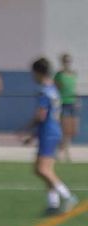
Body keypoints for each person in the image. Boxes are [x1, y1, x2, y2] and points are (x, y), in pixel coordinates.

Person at [29, 57, 76, 215]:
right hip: (53, 130)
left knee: (41, 169)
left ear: (38, 72)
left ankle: (68, 196)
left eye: (33, 73)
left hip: (48, 131)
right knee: (46, 169)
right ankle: (53, 205)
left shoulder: (44, 91)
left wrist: (26, 129)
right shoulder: (54, 89)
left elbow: (41, 115)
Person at [56, 54, 77, 162]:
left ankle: (66, 150)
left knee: (71, 131)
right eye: (65, 61)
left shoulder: (73, 74)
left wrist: (77, 100)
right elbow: (56, 89)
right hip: (63, 103)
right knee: (63, 129)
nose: (67, 63)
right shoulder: (59, 75)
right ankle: (61, 152)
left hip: (72, 103)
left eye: (68, 61)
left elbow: (74, 89)